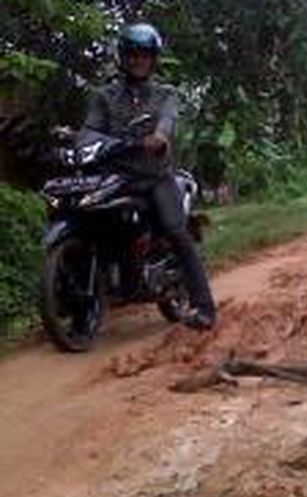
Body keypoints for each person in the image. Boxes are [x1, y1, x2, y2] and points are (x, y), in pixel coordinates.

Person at [83, 23, 216, 330]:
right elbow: (90, 130)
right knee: (93, 223)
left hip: (155, 178)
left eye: (144, 55)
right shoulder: (103, 96)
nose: (138, 60)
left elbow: (167, 122)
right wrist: (78, 139)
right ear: (123, 57)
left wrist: (159, 136)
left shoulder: (165, 94)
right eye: (132, 54)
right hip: (116, 179)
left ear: (154, 59)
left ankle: (205, 307)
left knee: (176, 230)